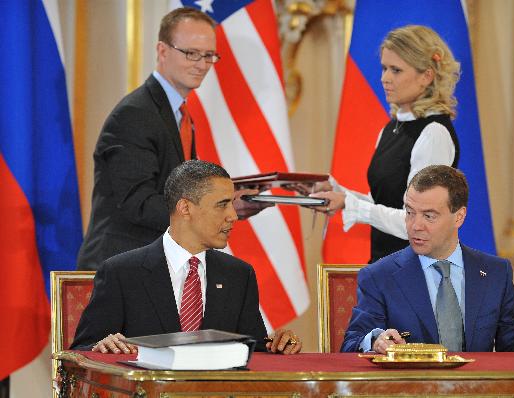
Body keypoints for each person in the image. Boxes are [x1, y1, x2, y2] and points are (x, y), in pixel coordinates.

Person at [77, 7, 268, 271]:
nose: (202, 65)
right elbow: (139, 203)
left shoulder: (176, 113)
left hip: (150, 268)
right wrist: (214, 210)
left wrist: (227, 201)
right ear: (162, 51)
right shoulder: (135, 114)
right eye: (191, 53)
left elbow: (177, 192)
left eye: (209, 55)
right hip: (119, 271)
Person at [71, 160, 302, 355]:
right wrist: (101, 348)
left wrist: (279, 346)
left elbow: (253, 353)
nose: (233, 216)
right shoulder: (121, 273)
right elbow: (80, 353)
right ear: (185, 208)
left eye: (231, 204)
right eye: (222, 205)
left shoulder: (239, 275)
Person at [341, 165, 514, 353]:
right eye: (410, 212)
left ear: (459, 216)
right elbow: (351, 344)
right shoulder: (379, 276)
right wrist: (375, 340)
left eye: (429, 216)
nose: (415, 225)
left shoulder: (496, 272)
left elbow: (512, 342)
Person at [309, 25, 461, 263]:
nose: (384, 78)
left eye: (396, 70)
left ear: (426, 76)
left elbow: (417, 223)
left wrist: (351, 204)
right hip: (385, 268)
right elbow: (384, 203)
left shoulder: (434, 133)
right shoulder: (391, 128)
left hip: (416, 274)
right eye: (384, 68)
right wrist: (339, 193)